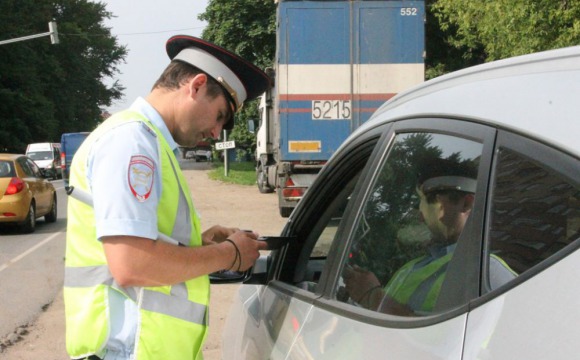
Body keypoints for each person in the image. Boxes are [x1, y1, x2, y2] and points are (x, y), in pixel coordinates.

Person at [63, 35, 270, 360]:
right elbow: (131, 264)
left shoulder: (147, 142)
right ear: (197, 85)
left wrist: (201, 245)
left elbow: (141, 245)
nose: (217, 133)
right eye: (219, 116)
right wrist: (227, 254)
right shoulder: (132, 143)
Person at [343, 157, 516, 316]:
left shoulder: (487, 274)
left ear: (466, 203)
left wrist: (373, 297)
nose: (420, 216)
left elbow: (444, 344)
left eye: (427, 202)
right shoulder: (415, 266)